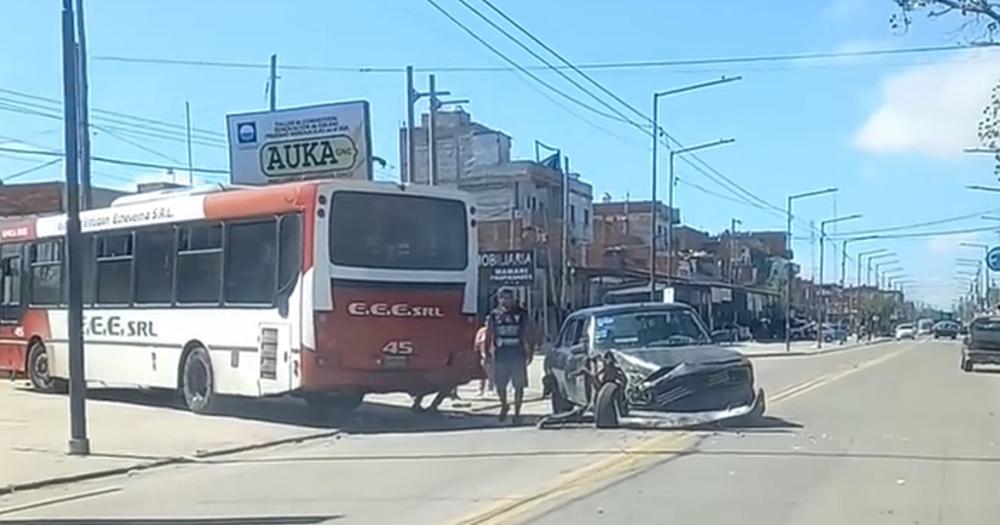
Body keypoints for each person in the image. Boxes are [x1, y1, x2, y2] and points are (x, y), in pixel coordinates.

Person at [485, 288, 535, 424]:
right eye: (503, 297)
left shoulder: (522, 313)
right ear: (498, 299)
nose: (506, 300)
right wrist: (486, 353)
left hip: (517, 353)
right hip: (501, 353)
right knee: (500, 384)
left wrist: (530, 351)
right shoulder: (494, 315)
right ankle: (504, 405)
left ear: (513, 298)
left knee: (519, 385)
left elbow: (529, 332)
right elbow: (489, 333)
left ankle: (517, 413)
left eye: (508, 297)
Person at [475, 323, 494, 397]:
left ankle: (490, 389)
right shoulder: (482, 331)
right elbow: (477, 341)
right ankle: (480, 389)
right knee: (482, 372)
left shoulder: (494, 331)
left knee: (491, 373)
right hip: (482, 353)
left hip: (492, 354)